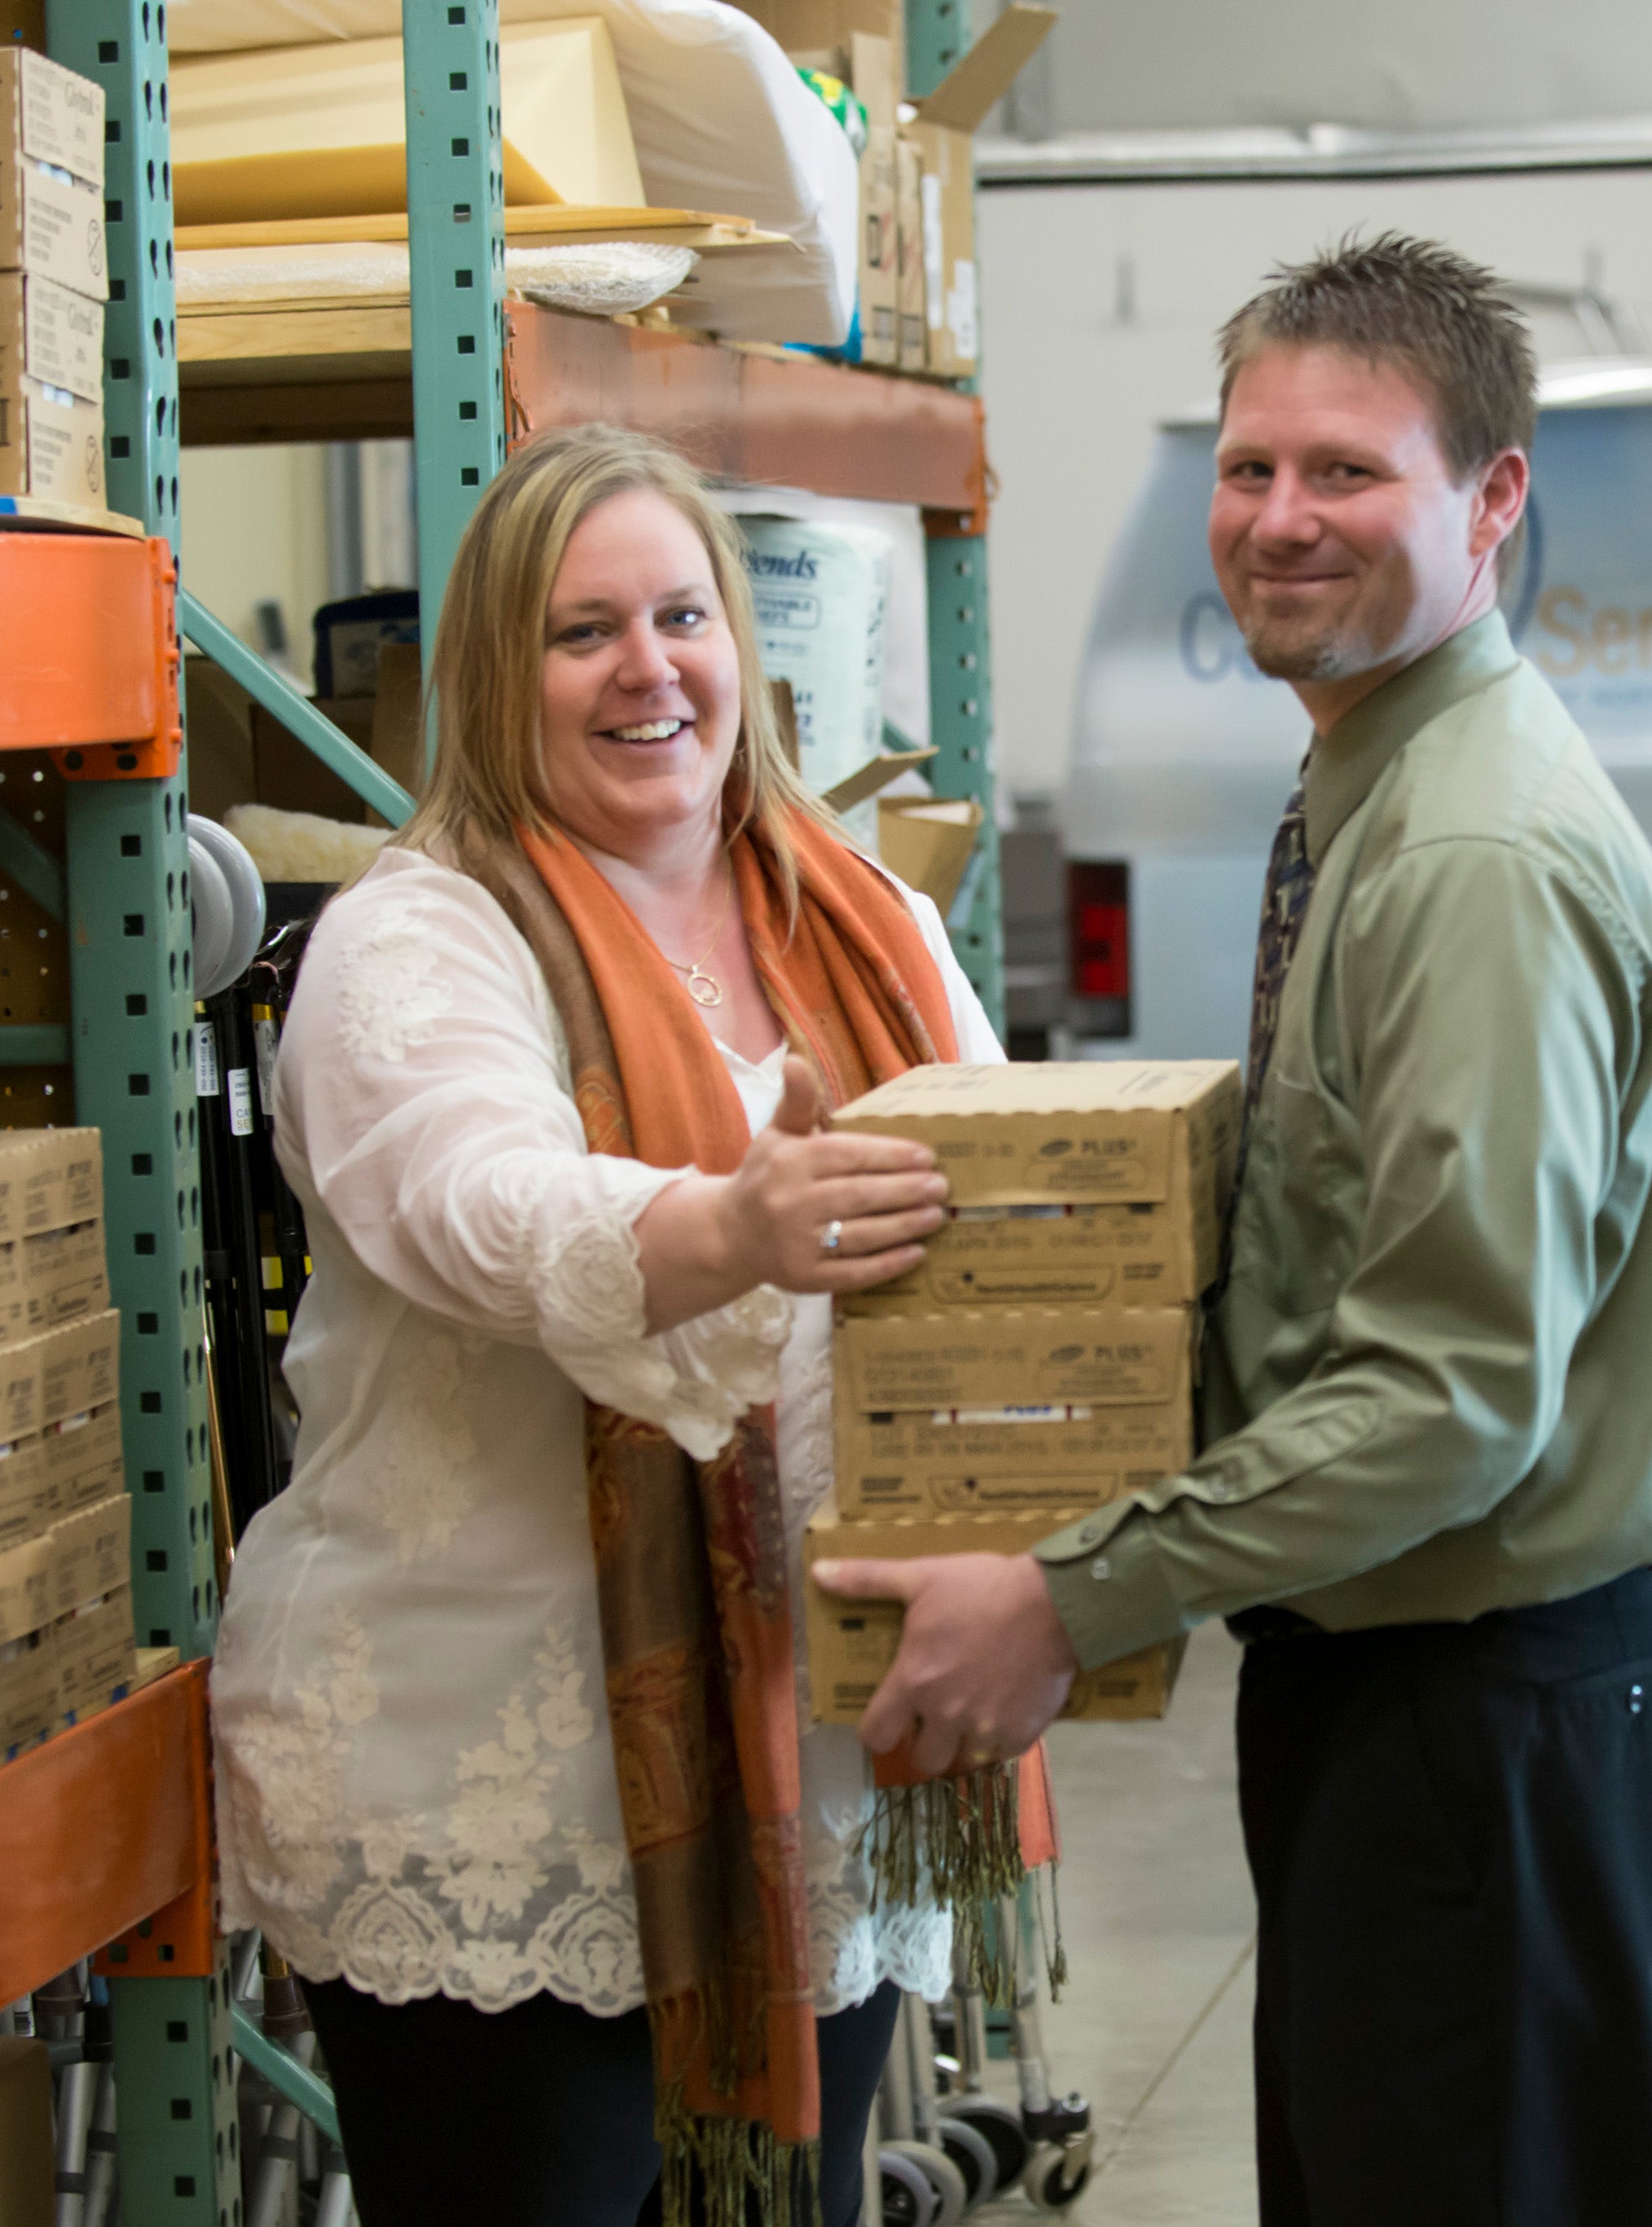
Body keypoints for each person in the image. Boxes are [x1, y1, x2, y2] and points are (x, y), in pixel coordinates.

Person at [818, 232, 1652, 2225]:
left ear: (1491, 500)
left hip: (1477, 1714)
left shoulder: (1473, 857)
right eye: (1248, 471)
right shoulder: (1374, 786)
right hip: (1399, 1696)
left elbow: (1445, 1400)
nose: (1278, 519)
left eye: (1347, 472)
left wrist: (1070, 1591)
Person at [211, 424, 1000, 2227]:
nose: (648, 669)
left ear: (741, 641)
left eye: (680, 614)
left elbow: (1003, 1194)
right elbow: (469, 1195)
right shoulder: (423, 933)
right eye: (583, 633)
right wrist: (731, 1223)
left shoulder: (864, 915)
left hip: (815, 1771)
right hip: (498, 1780)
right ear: (502, 672)